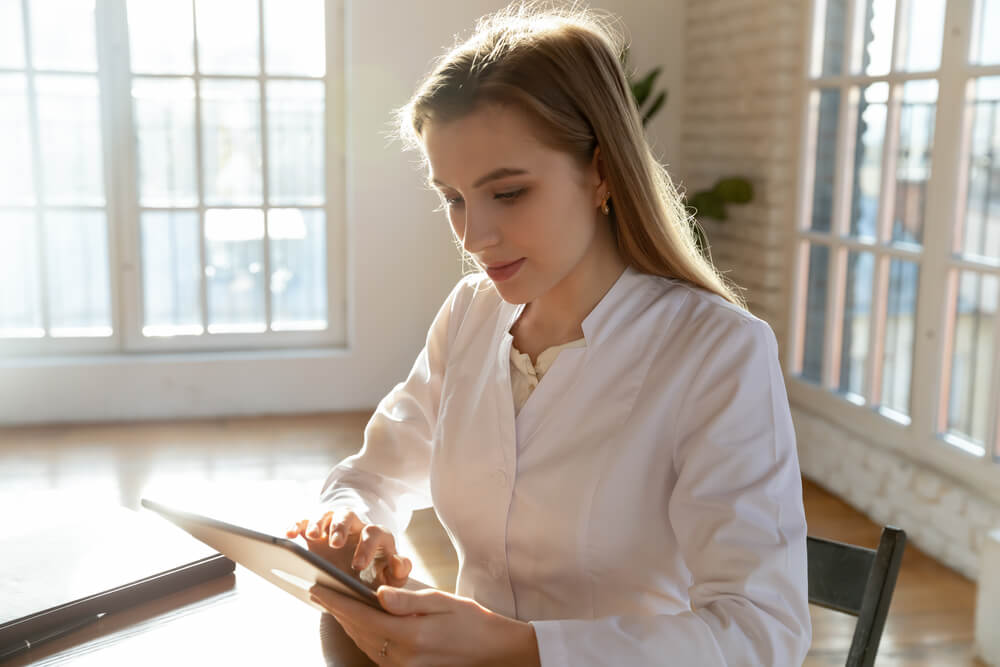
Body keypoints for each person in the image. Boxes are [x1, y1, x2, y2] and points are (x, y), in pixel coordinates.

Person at [287, 3, 812, 664]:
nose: (474, 236)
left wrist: (518, 646)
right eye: (453, 196)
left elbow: (763, 634)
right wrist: (352, 522)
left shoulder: (717, 352)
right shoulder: (471, 315)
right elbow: (374, 474)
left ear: (601, 172)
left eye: (507, 193)